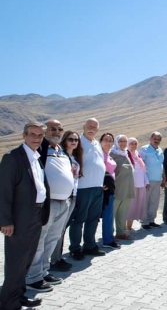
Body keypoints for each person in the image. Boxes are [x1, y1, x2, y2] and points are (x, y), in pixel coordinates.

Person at [0, 122, 50, 309]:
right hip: (19, 219)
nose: (37, 138)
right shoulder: (12, 158)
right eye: (33, 134)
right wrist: (5, 220)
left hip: (36, 216)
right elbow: (3, 192)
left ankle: (18, 297)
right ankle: (8, 303)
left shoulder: (37, 157)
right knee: (15, 263)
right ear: (24, 135)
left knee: (26, 261)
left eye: (40, 135)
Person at [25, 120, 74, 292]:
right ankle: (32, 278)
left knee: (53, 239)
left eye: (60, 129)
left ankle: (43, 272)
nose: (57, 131)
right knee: (40, 240)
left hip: (64, 202)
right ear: (45, 131)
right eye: (52, 128)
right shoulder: (41, 148)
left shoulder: (61, 150)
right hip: (47, 203)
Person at [69, 118, 106, 260]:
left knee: (93, 218)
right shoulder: (77, 141)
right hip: (83, 187)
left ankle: (89, 245)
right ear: (83, 127)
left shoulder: (96, 143)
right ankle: (75, 248)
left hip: (97, 186)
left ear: (97, 129)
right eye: (89, 125)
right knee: (79, 219)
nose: (92, 128)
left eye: (95, 126)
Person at [50, 130, 83, 271]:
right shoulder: (61, 156)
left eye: (76, 139)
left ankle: (57, 257)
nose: (74, 142)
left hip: (73, 195)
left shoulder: (74, 157)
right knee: (56, 230)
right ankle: (53, 260)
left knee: (62, 229)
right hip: (63, 197)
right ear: (65, 140)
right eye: (70, 139)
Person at [109, 135, 135, 241]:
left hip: (127, 188)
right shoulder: (113, 154)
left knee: (122, 213)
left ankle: (120, 232)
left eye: (125, 141)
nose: (123, 143)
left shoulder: (125, 154)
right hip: (117, 188)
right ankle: (109, 234)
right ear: (116, 142)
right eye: (120, 141)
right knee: (112, 213)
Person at [139, 131, 164, 230]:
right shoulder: (144, 149)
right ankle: (144, 222)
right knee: (145, 201)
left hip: (158, 179)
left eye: (158, 139)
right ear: (150, 139)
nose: (156, 141)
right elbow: (141, 166)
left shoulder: (160, 150)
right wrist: (144, 180)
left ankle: (151, 220)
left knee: (154, 201)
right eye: (155, 139)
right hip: (148, 180)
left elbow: (161, 165)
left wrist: (164, 177)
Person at [126, 137, 149, 229]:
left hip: (140, 184)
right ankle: (123, 227)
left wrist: (146, 182)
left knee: (136, 205)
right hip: (131, 185)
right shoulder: (126, 155)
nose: (134, 145)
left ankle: (129, 227)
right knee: (129, 206)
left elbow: (143, 170)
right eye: (131, 143)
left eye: (135, 143)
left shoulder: (137, 155)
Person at [99, 133, 117, 248]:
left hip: (110, 187)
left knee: (109, 214)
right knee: (107, 214)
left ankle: (108, 237)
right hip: (105, 188)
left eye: (110, 140)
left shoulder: (108, 155)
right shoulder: (100, 155)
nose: (108, 142)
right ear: (100, 141)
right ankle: (107, 240)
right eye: (105, 140)